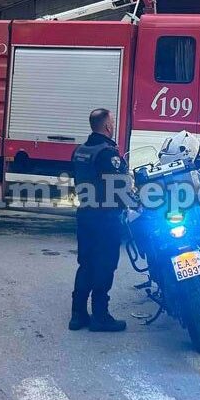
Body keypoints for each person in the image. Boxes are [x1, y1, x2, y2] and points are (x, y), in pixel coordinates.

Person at [69, 108, 129, 333]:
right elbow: (119, 187)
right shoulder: (107, 154)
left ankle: (78, 315)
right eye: (112, 121)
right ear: (107, 126)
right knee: (105, 265)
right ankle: (100, 316)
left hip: (85, 215)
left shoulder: (79, 151)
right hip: (106, 218)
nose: (113, 124)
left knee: (86, 263)